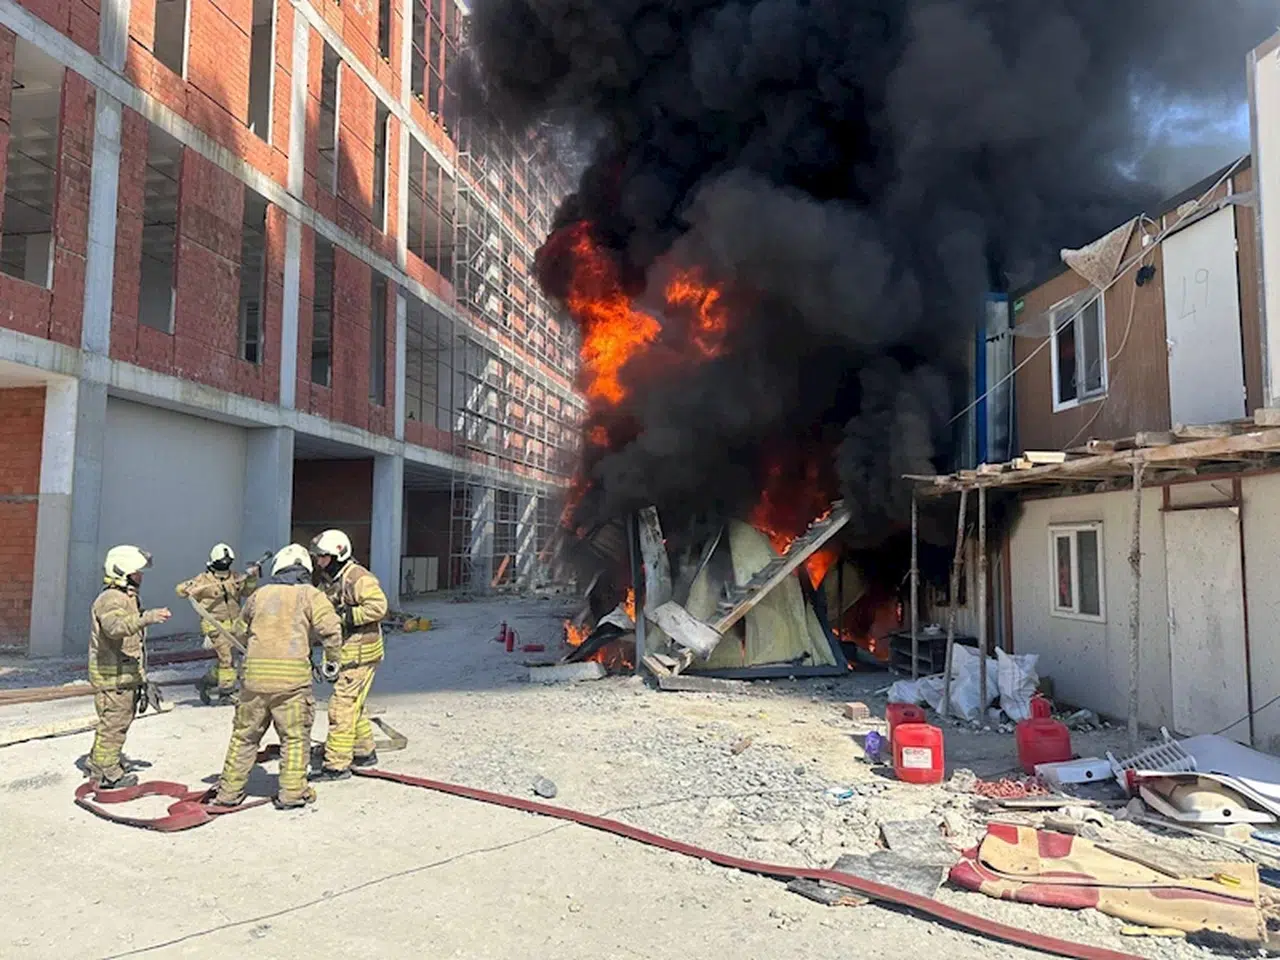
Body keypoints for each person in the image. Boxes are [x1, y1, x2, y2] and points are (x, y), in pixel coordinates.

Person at [211, 544, 342, 810]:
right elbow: (331, 630)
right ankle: (292, 794)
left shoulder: (259, 594)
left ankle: (228, 793)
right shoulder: (311, 595)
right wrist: (332, 662)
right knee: (294, 738)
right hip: (291, 686)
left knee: (244, 737)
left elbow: (239, 632)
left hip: (254, 683)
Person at [87, 545, 171, 789]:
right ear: (122, 571)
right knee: (114, 726)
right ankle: (108, 774)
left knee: (115, 724)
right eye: (136, 572)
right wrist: (147, 618)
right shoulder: (111, 599)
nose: (140, 576)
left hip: (123, 675)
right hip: (113, 678)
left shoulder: (126, 597)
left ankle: (98, 762)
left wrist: (141, 677)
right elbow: (114, 628)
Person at [308, 529, 388, 782]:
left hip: (362, 654)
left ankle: (336, 765)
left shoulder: (358, 577)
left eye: (323, 557)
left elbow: (378, 607)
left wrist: (346, 617)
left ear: (338, 555)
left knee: (340, 707)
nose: (319, 562)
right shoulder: (330, 580)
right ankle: (364, 752)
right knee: (353, 705)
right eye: (317, 557)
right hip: (347, 653)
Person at [176, 543, 260, 705]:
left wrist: (251, 578)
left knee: (230, 660)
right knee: (227, 659)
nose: (225, 565)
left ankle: (207, 681)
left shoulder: (234, 577)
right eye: (222, 562)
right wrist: (187, 589)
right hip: (215, 626)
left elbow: (248, 592)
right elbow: (179, 590)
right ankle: (226, 693)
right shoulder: (203, 579)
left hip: (235, 625)